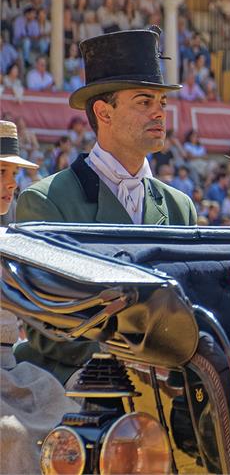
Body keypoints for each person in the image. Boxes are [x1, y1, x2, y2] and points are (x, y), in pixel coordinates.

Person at [14, 27, 197, 382]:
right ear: (104, 112)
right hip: (81, 392)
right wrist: (141, 354)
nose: (160, 113)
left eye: (162, 103)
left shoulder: (180, 207)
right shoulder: (46, 202)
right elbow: (49, 333)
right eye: (144, 102)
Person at [0, 121, 80, 474]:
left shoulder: (10, 241)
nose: (10, 183)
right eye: (2, 171)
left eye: (13, 172)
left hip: (11, 376)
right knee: (12, 434)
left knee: (73, 419)